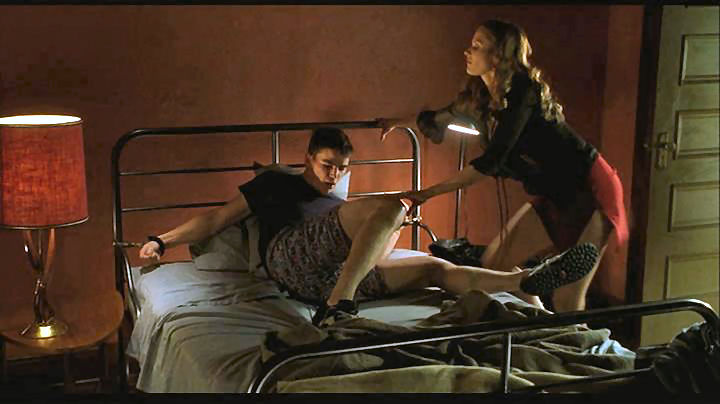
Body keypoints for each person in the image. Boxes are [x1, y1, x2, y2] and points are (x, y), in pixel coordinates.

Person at [139, 127, 598, 326]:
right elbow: (217, 219)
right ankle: (340, 305)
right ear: (307, 159)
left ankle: (523, 280)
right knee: (393, 205)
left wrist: (388, 234)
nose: (333, 175)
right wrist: (161, 239)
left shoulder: (338, 203)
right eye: (326, 165)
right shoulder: (276, 183)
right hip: (290, 257)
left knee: (434, 267)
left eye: (342, 168)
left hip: (338, 275)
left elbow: (374, 248)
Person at [379, 19, 628, 313]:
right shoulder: (482, 97)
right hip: (554, 192)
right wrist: (397, 122)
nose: (467, 52)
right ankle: (538, 320)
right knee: (495, 263)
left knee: (567, 297)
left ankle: (572, 336)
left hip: (589, 187)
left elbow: (492, 161)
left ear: (498, 55)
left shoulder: (523, 92)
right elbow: (438, 117)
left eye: (477, 46)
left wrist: (428, 193)